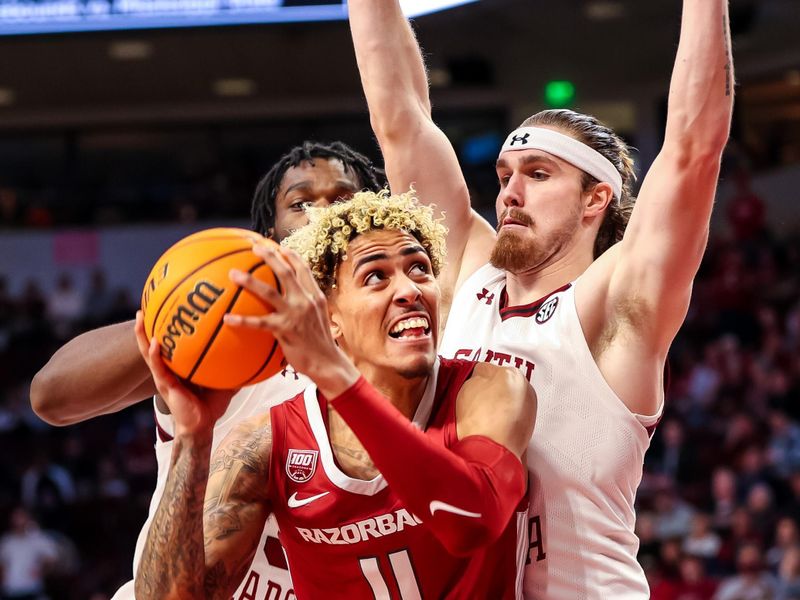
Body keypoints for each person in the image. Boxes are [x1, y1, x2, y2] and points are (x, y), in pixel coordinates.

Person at [348, 0, 734, 597]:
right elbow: (398, 115)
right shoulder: (466, 276)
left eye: (539, 173)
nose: (509, 194)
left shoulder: (615, 301)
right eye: (504, 175)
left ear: (594, 199)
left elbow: (692, 147)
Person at [133, 190, 536, 599]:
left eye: (419, 269)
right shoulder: (268, 444)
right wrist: (193, 440)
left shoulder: (489, 389)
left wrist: (336, 377)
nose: (409, 289)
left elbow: (473, 523)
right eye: (376, 276)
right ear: (329, 316)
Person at [29, 141, 384, 599]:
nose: (320, 214)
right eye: (300, 203)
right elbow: (51, 397)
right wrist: (186, 307)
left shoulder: (397, 345)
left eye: (341, 199)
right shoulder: (232, 333)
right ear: (270, 234)